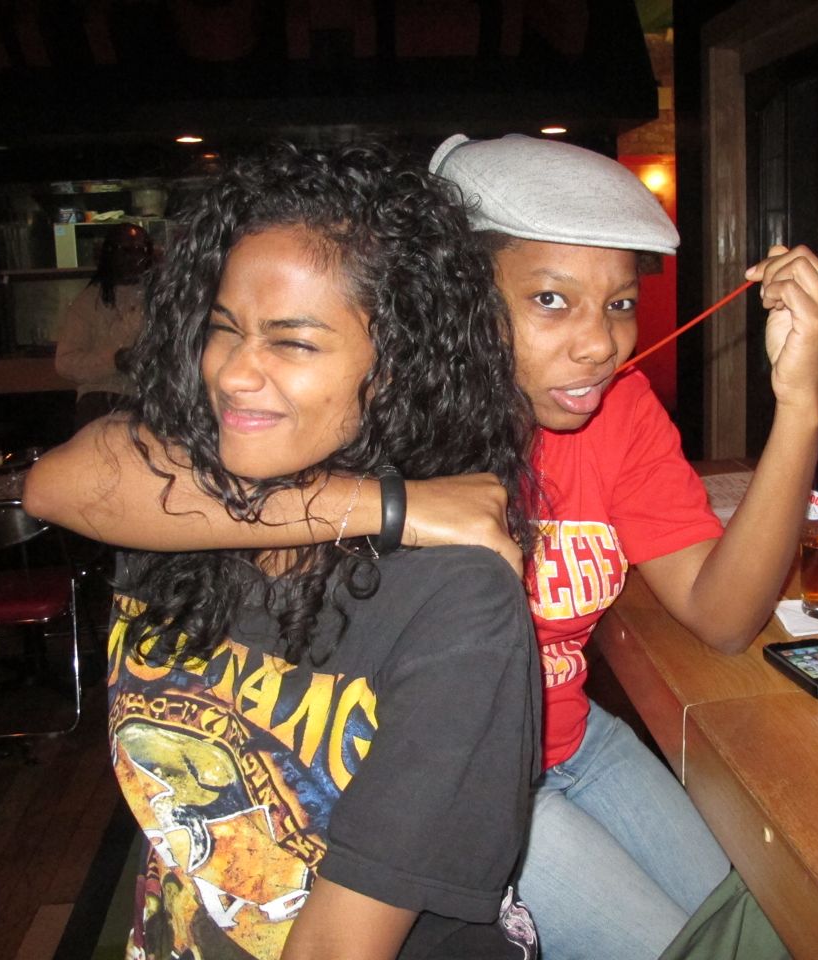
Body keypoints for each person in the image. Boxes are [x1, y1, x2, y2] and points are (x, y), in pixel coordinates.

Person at [25, 134, 818, 958]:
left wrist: (801, 402)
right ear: (451, 300)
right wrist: (399, 505)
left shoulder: (617, 410)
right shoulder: (364, 416)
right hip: (463, 785)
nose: (599, 345)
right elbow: (75, 481)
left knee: (766, 926)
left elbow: (723, 615)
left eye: (620, 304)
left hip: (574, 740)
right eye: (552, 300)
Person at [86, 142, 543, 959]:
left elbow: (338, 946)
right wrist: (388, 505)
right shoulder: (176, 524)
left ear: (397, 367)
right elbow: (62, 479)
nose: (233, 374)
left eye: (292, 342)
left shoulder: (456, 602)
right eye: (224, 330)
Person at [54, 222, 154, 431]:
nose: (135, 257)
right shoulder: (89, 302)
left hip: (149, 399)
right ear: (110, 253)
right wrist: (114, 361)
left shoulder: (159, 299)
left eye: (141, 250)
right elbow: (65, 363)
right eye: (126, 250)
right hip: (101, 399)